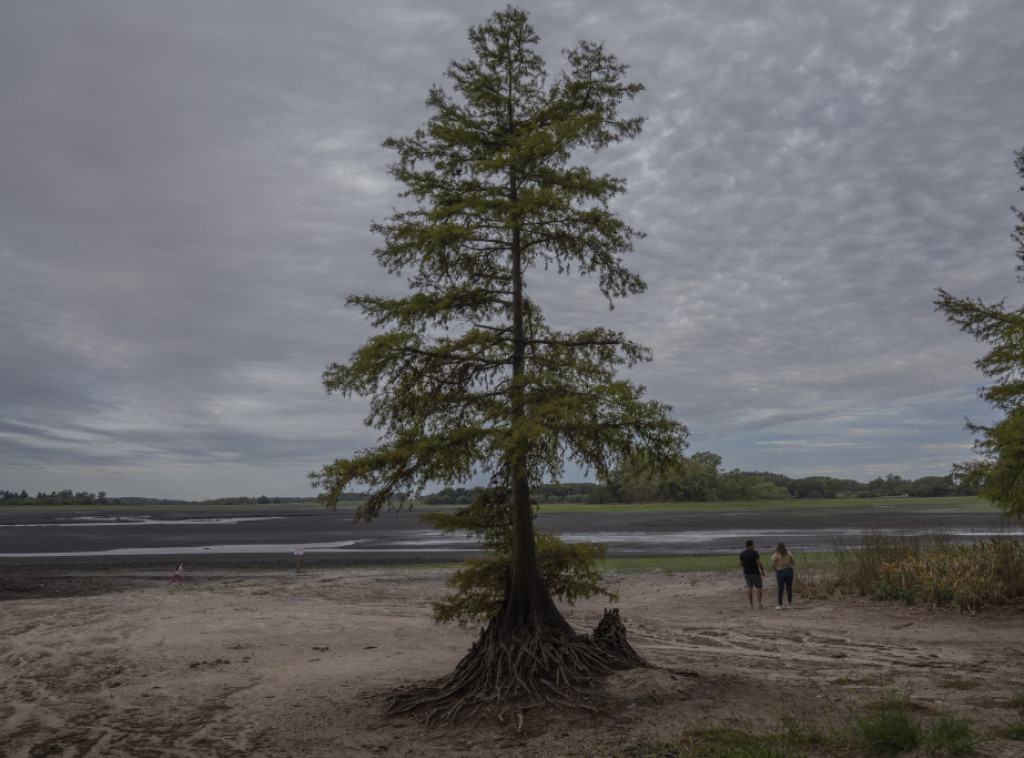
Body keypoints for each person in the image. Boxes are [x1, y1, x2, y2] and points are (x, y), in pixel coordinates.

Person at [739, 540, 766, 610]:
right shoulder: (754, 553)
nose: (754, 546)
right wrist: (762, 571)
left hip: (746, 573)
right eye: (753, 545)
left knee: (749, 588)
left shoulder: (742, 553)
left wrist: (746, 565)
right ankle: (759, 604)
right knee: (759, 587)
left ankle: (751, 605)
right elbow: (759, 563)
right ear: (750, 545)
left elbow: (740, 564)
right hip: (755, 573)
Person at [770, 542, 795, 609]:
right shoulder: (788, 553)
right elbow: (793, 561)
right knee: (789, 587)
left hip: (780, 571)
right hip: (789, 570)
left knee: (780, 588)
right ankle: (789, 604)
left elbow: (772, 563)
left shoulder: (776, 554)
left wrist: (775, 569)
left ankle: (780, 604)